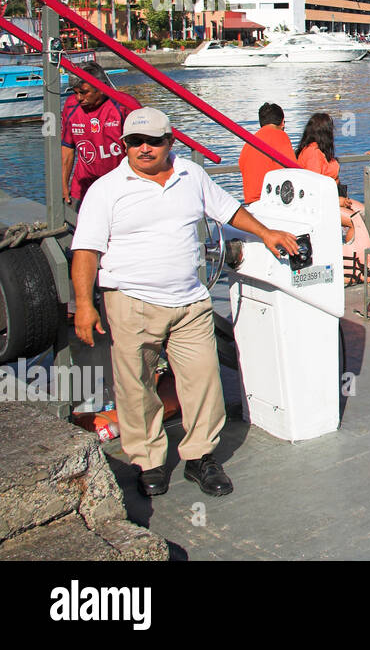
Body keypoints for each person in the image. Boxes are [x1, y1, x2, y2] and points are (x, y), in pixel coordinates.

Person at [70, 108, 300, 498]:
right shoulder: (106, 189)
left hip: (191, 301)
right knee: (135, 386)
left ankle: (200, 458)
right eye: (134, 142)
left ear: (169, 142)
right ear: (124, 144)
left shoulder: (191, 175)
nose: (144, 149)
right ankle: (148, 462)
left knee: (203, 380)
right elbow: (86, 251)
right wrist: (84, 305)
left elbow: (228, 209)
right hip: (131, 300)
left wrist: (266, 231)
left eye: (153, 141)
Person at [60, 62, 140, 207]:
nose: (78, 98)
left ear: (102, 87)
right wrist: (64, 184)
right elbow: (67, 147)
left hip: (120, 188)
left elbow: (144, 150)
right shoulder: (71, 105)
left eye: (84, 92)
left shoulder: (125, 106)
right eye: (75, 92)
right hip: (84, 188)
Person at [296, 111, 361, 243]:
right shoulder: (312, 154)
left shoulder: (320, 151)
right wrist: (338, 201)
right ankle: (348, 257)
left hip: (334, 199)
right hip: (322, 205)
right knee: (358, 221)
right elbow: (313, 190)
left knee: (369, 215)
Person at [238, 102, 294, 203]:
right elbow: (292, 170)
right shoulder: (280, 136)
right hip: (270, 201)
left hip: (251, 203)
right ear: (282, 123)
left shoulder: (249, 144)